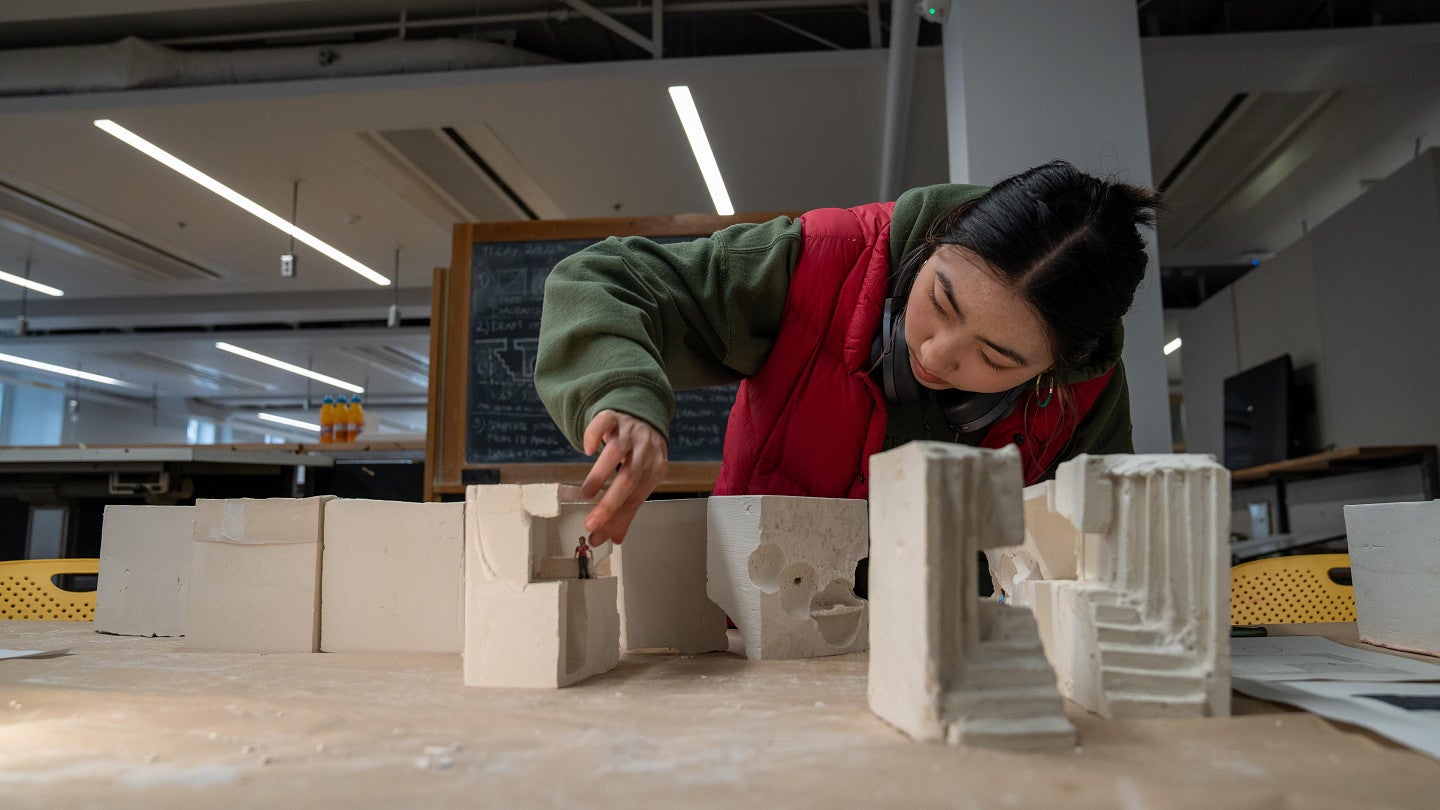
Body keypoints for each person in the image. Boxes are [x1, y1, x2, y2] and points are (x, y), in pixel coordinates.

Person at [536, 160, 1160, 550]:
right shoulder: (822, 261)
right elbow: (605, 280)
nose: (938, 355)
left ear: (1054, 366)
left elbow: (1103, 554)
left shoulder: (1087, 394)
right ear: (936, 241)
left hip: (957, 661)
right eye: (939, 303)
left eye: (995, 360)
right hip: (757, 639)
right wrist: (621, 394)